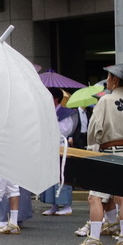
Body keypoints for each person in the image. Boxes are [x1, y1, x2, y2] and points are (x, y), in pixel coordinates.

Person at [74, 63, 123, 245]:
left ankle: (93, 239)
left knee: (95, 197)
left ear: (115, 79)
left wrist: (92, 147)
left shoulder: (105, 101)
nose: (107, 82)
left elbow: (94, 129)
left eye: (108, 78)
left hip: (108, 153)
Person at [39, 87, 75, 216]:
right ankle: (53, 204)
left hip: (60, 147)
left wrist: (50, 126)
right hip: (48, 147)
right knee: (50, 175)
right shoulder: (46, 111)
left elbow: (65, 130)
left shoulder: (66, 113)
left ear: (56, 99)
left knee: (63, 175)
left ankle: (66, 205)